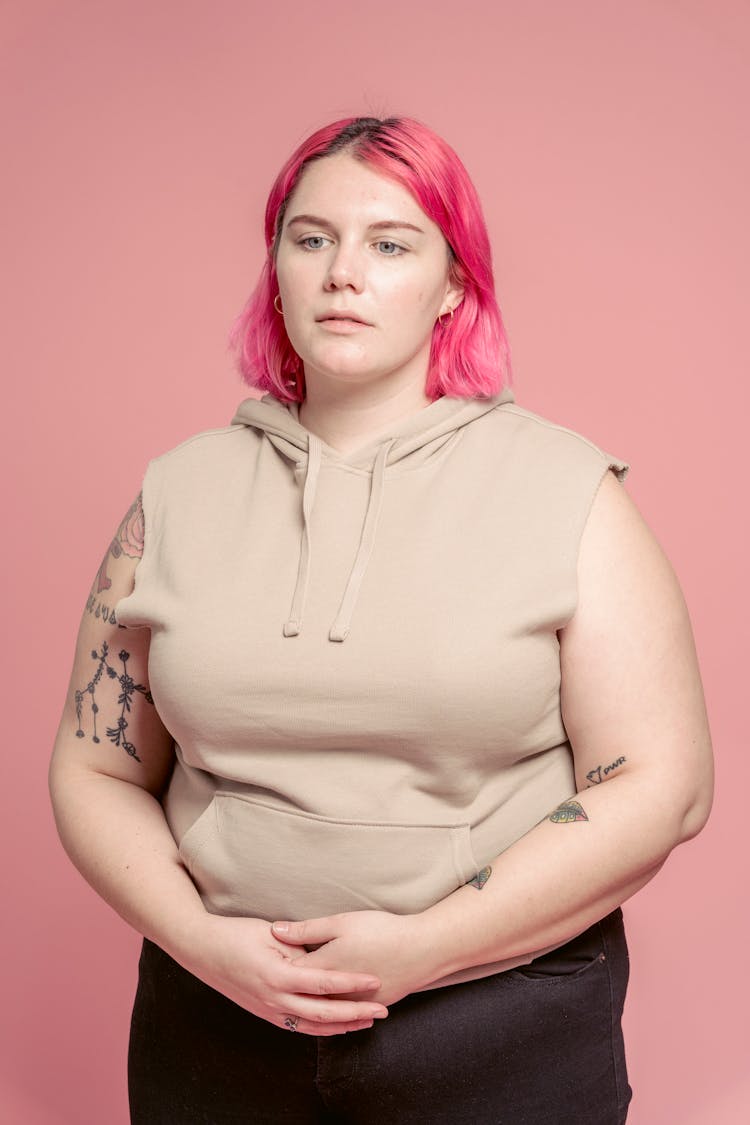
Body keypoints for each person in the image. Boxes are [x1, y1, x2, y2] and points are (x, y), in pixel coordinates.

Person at [49, 115, 714, 1124]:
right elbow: (94, 765)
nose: (342, 273)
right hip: (214, 1023)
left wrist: (421, 948)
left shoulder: (570, 495)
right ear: (275, 267)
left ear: (453, 282)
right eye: (311, 239)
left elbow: (661, 788)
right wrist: (204, 944)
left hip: (498, 1031)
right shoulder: (174, 496)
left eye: (391, 243)